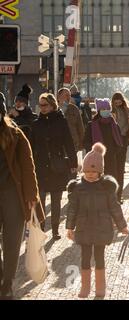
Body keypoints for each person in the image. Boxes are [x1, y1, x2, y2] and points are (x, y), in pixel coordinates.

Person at [66, 143, 128, 298]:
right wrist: (69, 227)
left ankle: (100, 287)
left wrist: (122, 226)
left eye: (93, 171)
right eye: (87, 171)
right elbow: (72, 209)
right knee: (85, 258)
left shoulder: (106, 188)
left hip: (102, 228)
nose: (90, 174)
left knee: (99, 258)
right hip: (84, 228)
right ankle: (85, 287)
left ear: (100, 171)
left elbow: (115, 208)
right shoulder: (78, 188)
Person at [0, 93, 45, 299]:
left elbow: (28, 168)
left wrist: (32, 197)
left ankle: (7, 282)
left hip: (13, 196)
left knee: (12, 241)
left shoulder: (16, 135)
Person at [30, 93, 77, 240]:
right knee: (41, 199)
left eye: (45, 105)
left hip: (58, 166)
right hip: (40, 166)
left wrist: (73, 163)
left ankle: (55, 230)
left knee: (56, 200)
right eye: (40, 105)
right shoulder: (36, 123)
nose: (42, 108)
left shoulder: (61, 121)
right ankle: (42, 228)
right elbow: (31, 146)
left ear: (52, 105)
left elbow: (69, 142)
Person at [84, 99, 123, 190]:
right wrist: (93, 152)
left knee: (110, 181)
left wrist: (115, 151)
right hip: (96, 159)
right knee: (97, 182)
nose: (106, 110)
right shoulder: (91, 125)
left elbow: (119, 140)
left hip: (111, 157)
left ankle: (112, 199)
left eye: (107, 108)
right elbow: (86, 141)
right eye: (103, 109)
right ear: (99, 111)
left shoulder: (114, 124)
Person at [57, 88, 85, 153]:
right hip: (58, 144)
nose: (68, 97)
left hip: (73, 144)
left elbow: (80, 127)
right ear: (59, 96)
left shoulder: (74, 109)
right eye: (66, 95)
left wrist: (82, 144)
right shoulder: (54, 109)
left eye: (69, 95)